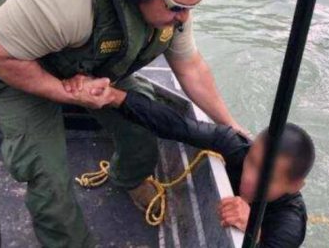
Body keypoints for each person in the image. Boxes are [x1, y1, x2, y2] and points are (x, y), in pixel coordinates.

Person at [0, 0, 247, 246]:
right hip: (17, 62)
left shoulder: (176, 1)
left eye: (191, 6)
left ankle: (128, 177)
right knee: (49, 180)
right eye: (176, 7)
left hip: (89, 60)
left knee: (143, 123)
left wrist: (231, 126)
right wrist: (65, 91)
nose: (183, 17)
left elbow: (191, 68)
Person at [62, 83, 313, 248]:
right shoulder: (237, 148)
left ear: (295, 185)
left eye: (267, 177)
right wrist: (118, 98)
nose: (250, 178)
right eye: (253, 162)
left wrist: (255, 233)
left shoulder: (289, 222)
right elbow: (177, 126)